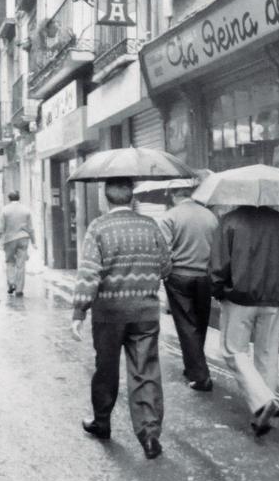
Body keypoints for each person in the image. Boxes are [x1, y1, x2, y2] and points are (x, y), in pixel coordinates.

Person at [70, 177, 171, 460]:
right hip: (145, 313)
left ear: (105, 198)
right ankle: (149, 436)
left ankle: (102, 423)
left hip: (109, 314)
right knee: (145, 370)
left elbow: (90, 273)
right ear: (132, 198)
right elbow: (166, 266)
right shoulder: (150, 225)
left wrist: (79, 311)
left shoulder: (98, 228)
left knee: (106, 369)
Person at [209, 204, 279, 437]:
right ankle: (263, 414)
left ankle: (263, 399)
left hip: (240, 297)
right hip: (274, 295)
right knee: (267, 353)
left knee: (233, 351)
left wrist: (217, 289)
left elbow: (219, 264)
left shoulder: (230, 221)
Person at [156, 182, 219, 392]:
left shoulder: (170, 217)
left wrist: (164, 275)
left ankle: (200, 376)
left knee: (186, 325)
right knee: (200, 324)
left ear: (174, 194)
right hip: (205, 277)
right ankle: (193, 366)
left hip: (179, 276)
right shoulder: (210, 216)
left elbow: (164, 251)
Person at [0, 190, 35, 297]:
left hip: (9, 239)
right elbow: (30, 228)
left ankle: (11, 283)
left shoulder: (5, 210)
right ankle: (19, 289)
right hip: (23, 238)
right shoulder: (26, 210)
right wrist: (34, 241)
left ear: (9, 198)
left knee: (10, 262)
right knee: (21, 264)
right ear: (19, 198)